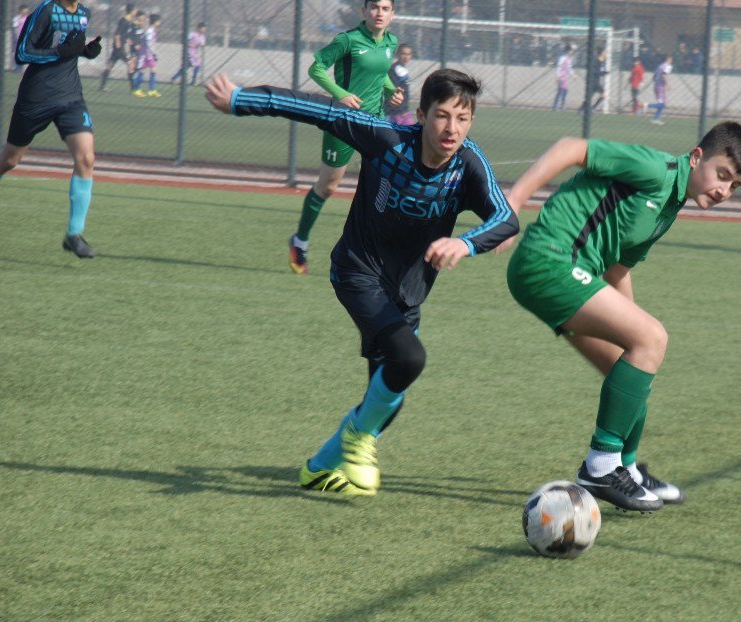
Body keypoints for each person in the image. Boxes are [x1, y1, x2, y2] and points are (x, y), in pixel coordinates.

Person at [203, 70, 519, 495]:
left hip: (407, 293)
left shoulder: (468, 165)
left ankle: (318, 467)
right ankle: (357, 436)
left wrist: (466, 244)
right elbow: (315, 108)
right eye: (442, 116)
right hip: (357, 271)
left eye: (462, 119)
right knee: (408, 360)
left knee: (388, 394)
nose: (451, 128)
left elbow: (506, 219)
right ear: (421, 115)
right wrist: (242, 99)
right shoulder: (386, 138)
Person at [501, 122, 741, 512]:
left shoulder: (670, 206)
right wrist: (515, 200)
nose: (724, 190)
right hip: (547, 261)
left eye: (734, 186)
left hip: (574, 274)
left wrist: (636, 332)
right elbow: (572, 147)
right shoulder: (656, 169)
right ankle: (600, 466)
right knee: (650, 339)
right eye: (722, 175)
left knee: (630, 368)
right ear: (696, 157)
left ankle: (625, 467)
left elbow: (618, 270)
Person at [288, 0, 402, 276]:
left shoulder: (391, 42)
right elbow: (316, 69)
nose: (379, 13)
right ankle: (299, 241)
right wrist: (341, 95)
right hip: (343, 122)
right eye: (374, 7)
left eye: (385, 8)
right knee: (328, 186)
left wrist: (390, 90)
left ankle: (377, 253)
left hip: (375, 123)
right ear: (364, 11)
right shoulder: (348, 40)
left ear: (392, 14)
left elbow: (379, 71)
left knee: (383, 185)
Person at [0, 0, 102, 258]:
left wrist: (85, 51)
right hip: (35, 100)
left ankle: (74, 234)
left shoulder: (84, 14)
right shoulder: (45, 10)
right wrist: (59, 53)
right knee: (10, 160)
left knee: (86, 157)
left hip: (71, 99)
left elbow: (69, 50)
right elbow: (22, 53)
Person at [98, 3, 137, 91]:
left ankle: (102, 86)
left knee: (109, 66)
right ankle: (133, 88)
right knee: (131, 64)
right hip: (119, 48)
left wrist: (127, 40)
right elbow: (117, 34)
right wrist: (119, 45)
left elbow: (124, 34)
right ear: (132, 11)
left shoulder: (129, 21)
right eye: (135, 10)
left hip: (118, 48)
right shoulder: (124, 21)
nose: (136, 11)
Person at [132, 13, 160, 97]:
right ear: (155, 22)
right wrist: (154, 54)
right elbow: (149, 43)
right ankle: (137, 89)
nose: (159, 23)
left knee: (153, 69)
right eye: (159, 21)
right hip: (145, 54)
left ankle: (151, 90)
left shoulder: (152, 30)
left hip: (149, 54)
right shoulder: (150, 31)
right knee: (142, 70)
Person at [385, 43, 414, 124]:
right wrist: (400, 110)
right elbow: (393, 92)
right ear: (398, 54)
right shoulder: (393, 69)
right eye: (403, 53)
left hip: (404, 111)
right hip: (395, 113)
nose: (406, 57)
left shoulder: (403, 69)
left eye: (408, 54)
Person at [172, 22, 207, 86]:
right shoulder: (192, 34)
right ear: (199, 28)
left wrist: (201, 45)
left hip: (195, 52)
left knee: (194, 65)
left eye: (205, 29)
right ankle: (191, 81)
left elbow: (202, 44)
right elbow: (185, 39)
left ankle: (176, 78)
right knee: (192, 65)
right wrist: (188, 44)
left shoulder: (202, 36)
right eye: (203, 28)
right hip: (188, 51)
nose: (204, 30)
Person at [579, 46, 608, 114]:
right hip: (593, 81)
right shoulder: (597, 61)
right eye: (605, 52)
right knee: (601, 95)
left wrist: (604, 72)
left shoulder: (601, 61)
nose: (606, 53)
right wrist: (605, 72)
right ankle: (590, 109)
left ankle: (584, 109)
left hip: (596, 81)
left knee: (600, 95)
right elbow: (595, 71)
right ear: (602, 53)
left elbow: (600, 72)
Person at [648, 53, 672, 125]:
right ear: (668, 59)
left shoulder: (659, 66)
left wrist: (656, 82)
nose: (671, 60)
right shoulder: (668, 66)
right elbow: (664, 75)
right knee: (662, 104)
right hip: (660, 87)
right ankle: (647, 105)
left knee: (661, 104)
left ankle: (655, 119)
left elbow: (654, 76)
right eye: (671, 59)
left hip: (656, 86)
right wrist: (668, 84)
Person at [552, 44, 573, 111]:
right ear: (568, 51)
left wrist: (573, 75)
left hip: (565, 78)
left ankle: (562, 106)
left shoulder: (569, 59)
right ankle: (555, 106)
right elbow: (559, 67)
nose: (571, 52)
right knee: (560, 91)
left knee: (565, 91)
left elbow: (569, 68)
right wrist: (557, 76)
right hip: (561, 77)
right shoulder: (562, 58)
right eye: (571, 51)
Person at [11, 5, 30, 72]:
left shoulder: (28, 18)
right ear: (20, 11)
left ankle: (22, 68)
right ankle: (17, 68)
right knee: (16, 52)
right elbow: (15, 28)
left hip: (25, 38)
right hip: (17, 38)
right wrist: (17, 37)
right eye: (24, 11)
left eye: (26, 11)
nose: (25, 12)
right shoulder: (16, 18)